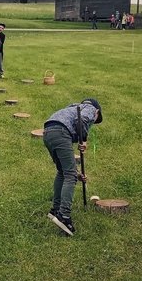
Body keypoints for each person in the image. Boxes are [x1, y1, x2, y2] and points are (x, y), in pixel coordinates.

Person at [43, 98, 103, 236]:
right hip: (61, 133)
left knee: (63, 172)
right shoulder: (90, 109)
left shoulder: (72, 108)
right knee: (69, 175)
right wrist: (85, 140)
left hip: (48, 132)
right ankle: (64, 216)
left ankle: (55, 210)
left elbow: (73, 126)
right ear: (97, 112)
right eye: (96, 120)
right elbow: (81, 122)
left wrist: (77, 173)